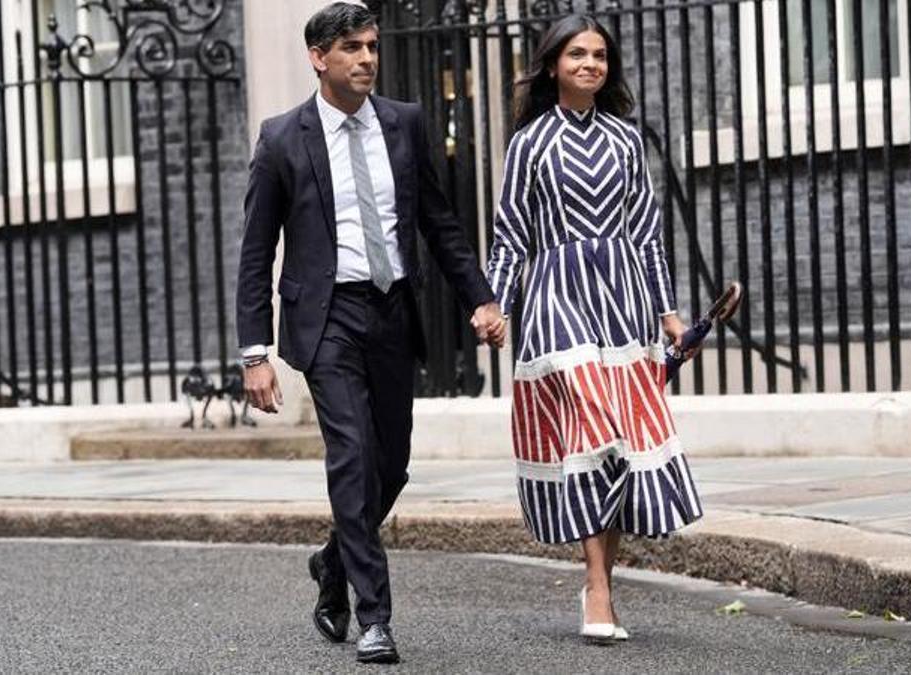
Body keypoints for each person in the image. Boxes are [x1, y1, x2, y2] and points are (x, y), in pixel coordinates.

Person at [235, 2, 504, 664]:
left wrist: (482, 297)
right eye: (351, 48)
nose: (366, 59)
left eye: (371, 46)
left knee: (392, 466)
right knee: (352, 456)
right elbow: (254, 252)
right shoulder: (281, 138)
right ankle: (374, 614)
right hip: (325, 320)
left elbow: (439, 224)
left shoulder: (404, 124)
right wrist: (254, 353)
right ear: (318, 57)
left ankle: (332, 563)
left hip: (391, 312)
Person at [484, 14, 702, 643]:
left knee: (621, 446)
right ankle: (598, 585)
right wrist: (496, 304)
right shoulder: (528, 143)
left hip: (624, 301)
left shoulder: (627, 141)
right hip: (557, 303)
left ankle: (601, 579)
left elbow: (646, 233)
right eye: (577, 54)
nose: (590, 65)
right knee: (588, 429)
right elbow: (510, 236)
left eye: (600, 56)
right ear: (552, 64)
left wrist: (668, 315)